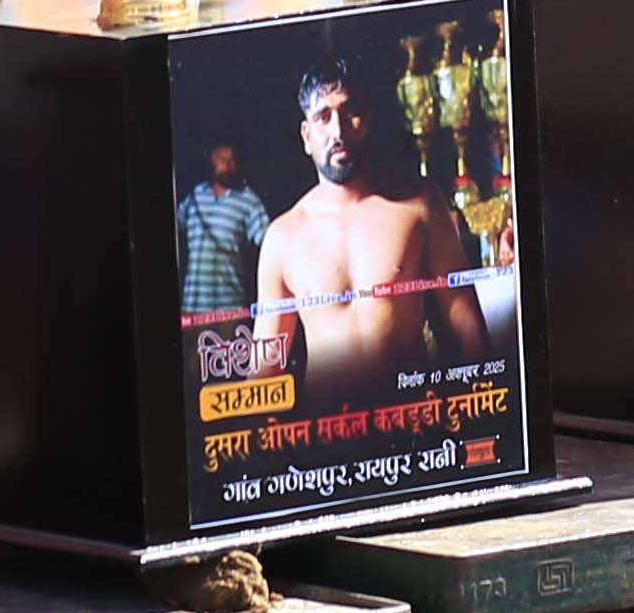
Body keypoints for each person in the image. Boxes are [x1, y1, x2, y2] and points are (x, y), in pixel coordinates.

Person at [250, 60, 487, 398]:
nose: (338, 131)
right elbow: (265, 371)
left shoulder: (418, 204)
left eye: (349, 112)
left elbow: (467, 324)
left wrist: (481, 407)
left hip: (410, 417)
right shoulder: (283, 238)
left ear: (368, 119)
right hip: (329, 425)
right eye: (323, 117)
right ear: (306, 136)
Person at [175, 137, 270, 319]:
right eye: (222, 159)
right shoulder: (195, 196)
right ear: (212, 160)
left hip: (230, 309)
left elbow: (268, 241)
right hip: (192, 307)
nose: (227, 165)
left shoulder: (249, 200)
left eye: (232, 160)